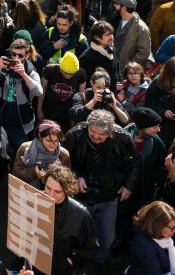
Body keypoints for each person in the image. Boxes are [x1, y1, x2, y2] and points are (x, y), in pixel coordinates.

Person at [63, 109, 141, 265]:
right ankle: (79, 263)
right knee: (79, 233)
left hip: (109, 194)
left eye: (102, 134)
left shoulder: (123, 137)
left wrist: (128, 186)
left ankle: (101, 264)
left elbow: (136, 163)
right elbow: (62, 160)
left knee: (107, 237)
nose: (96, 136)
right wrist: (75, 176)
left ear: (111, 132)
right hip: (81, 195)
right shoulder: (75, 134)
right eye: (92, 131)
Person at [0, 39, 43, 150]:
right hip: (2, 122)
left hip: (21, 126)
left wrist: (23, 75)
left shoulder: (30, 71)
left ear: (27, 55)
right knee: (1, 154)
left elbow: (39, 91)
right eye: (13, 54)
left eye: (20, 55)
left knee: (20, 155)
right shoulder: (4, 68)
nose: (16, 58)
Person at [40, 163, 98, 275]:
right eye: (48, 188)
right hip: (38, 266)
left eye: (57, 191)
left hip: (63, 270)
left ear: (66, 190)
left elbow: (92, 248)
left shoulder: (80, 214)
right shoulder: (36, 199)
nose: (51, 194)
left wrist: (73, 259)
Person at [127, 201, 175, 275]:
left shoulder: (164, 237)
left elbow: (174, 256)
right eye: (172, 227)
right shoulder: (143, 245)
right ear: (157, 225)